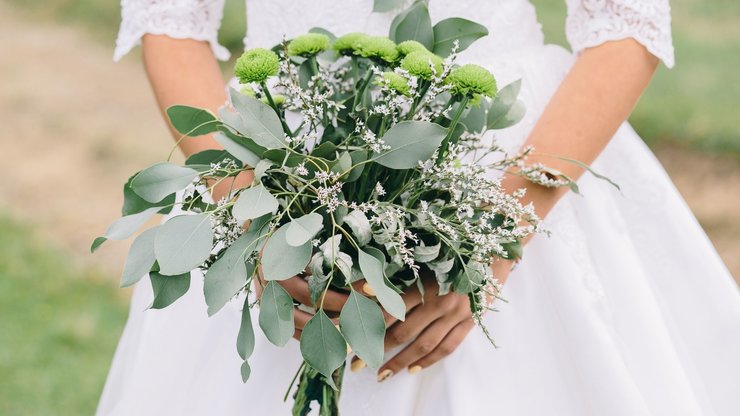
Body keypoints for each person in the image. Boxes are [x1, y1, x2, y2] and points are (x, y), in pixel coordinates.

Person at [98, 1, 740, 414]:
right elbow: (170, 18)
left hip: (503, 153)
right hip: (275, 152)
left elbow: (624, 22)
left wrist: (492, 238)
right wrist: (248, 210)